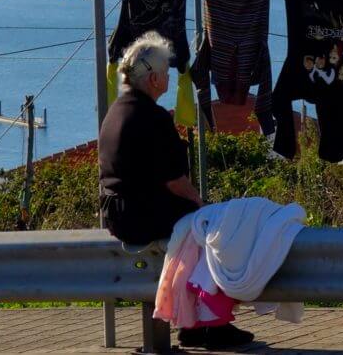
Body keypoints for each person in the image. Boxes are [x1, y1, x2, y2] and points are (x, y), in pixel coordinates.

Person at [98, 31, 254, 350]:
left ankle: (192, 326)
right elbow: (174, 181)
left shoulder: (115, 111)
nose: (168, 79)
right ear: (154, 78)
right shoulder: (153, 117)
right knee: (209, 228)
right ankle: (214, 325)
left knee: (194, 226)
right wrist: (201, 203)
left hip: (116, 212)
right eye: (166, 74)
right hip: (143, 212)